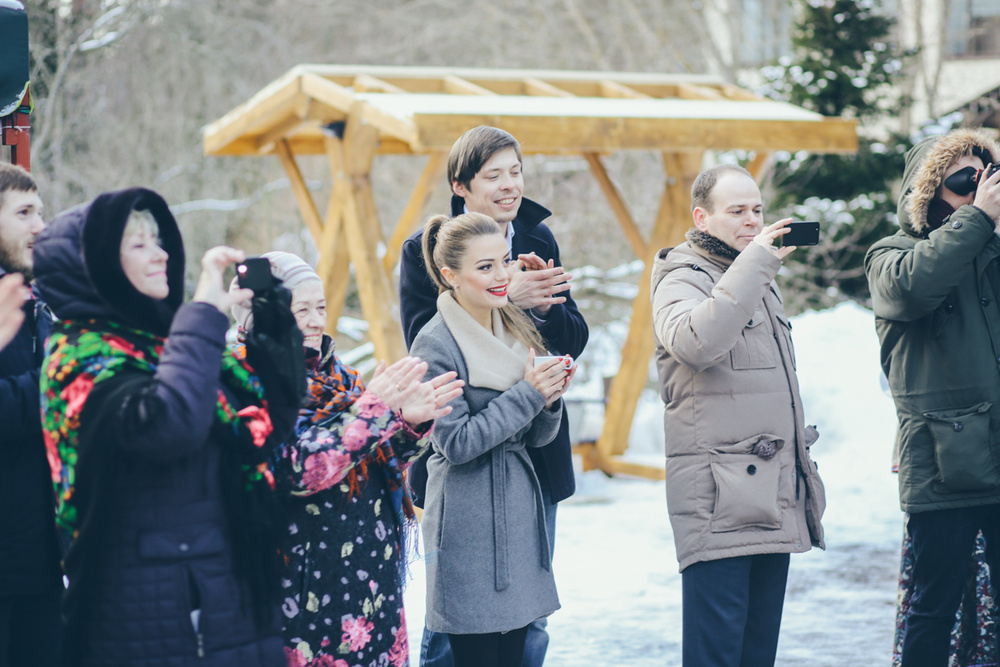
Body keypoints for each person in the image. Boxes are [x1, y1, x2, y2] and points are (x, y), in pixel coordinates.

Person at [33, 187, 304, 666]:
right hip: (151, 609)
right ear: (92, 264)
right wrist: (201, 313)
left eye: (158, 241)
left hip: (225, 594)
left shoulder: (165, 343)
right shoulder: (76, 356)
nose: (161, 254)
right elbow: (169, 425)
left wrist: (272, 324)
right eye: (138, 245)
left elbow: (264, 427)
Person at [398, 125, 587, 667]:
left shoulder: (537, 239)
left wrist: (541, 314)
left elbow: (573, 336)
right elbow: (425, 349)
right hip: (466, 472)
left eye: (516, 172)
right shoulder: (427, 251)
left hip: (532, 459)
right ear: (461, 186)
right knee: (457, 626)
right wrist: (505, 300)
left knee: (529, 622)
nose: (510, 186)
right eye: (493, 176)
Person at [230, 251, 464, 667]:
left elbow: (371, 458)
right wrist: (375, 410)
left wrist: (407, 423)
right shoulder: (244, 382)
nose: (317, 320)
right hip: (303, 591)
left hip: (369, 578)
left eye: (320, 307)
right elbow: (299, 469)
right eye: (300, 309)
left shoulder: (337, 375)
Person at [650, 164, 826, 666]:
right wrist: (756, 264)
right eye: (737, 211)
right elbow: (694, 341)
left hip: (770, 489)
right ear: (702, 217)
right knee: (717, 654)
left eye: (757, 210)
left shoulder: (757, 276)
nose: (752, 221)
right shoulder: (678, 274)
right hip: (719, 498)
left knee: (756, 653)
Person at [865, 128, 1000, 667]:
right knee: (933, 606)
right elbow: (913, 289)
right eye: (964, 180)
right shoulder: (890, 255)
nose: (977, 190)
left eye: (985, 176)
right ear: (927, 192)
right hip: (943, 464)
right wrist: (979, 219)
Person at [0, 162, 63, 667]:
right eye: (24, 212)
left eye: (40, 210)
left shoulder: (39, 304)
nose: (40, 225)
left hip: (42, 558)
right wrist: (59, 386)